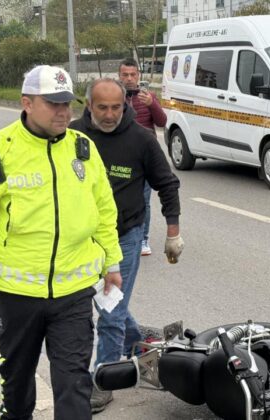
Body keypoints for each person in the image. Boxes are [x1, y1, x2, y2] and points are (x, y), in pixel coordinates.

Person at [0, 65, 124, 419]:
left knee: (74, 385)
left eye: (68, 104)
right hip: (17, 295)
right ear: (27, 103)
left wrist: (112, 264)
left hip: (74, 293)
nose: (64, 112)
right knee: (17, 388)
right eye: (53, 104)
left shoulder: (83, 148)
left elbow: (104, 211)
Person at [70, 78, 183, 413]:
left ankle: (102, 380)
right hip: (81, 240)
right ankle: (139, 341)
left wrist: (173, 232)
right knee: (110, 306)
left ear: (126, 105)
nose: (109, 114)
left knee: (109, 311)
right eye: (101, 107)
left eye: (116, 107)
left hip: (124, 239)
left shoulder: (141, 140)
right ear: (89, 105)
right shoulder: (74, 137)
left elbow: (167, 183)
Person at [117, 58, 167, 256]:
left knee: (144, 200)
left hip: (144, 158)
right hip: (120, 157)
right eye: (125, 75)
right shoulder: (114, 98)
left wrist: (152, 104)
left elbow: (162, 121)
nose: (129, 79)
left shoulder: (148, 96)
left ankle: (143, 239)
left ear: (138, 76)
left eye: (133, 74)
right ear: (119, 76)